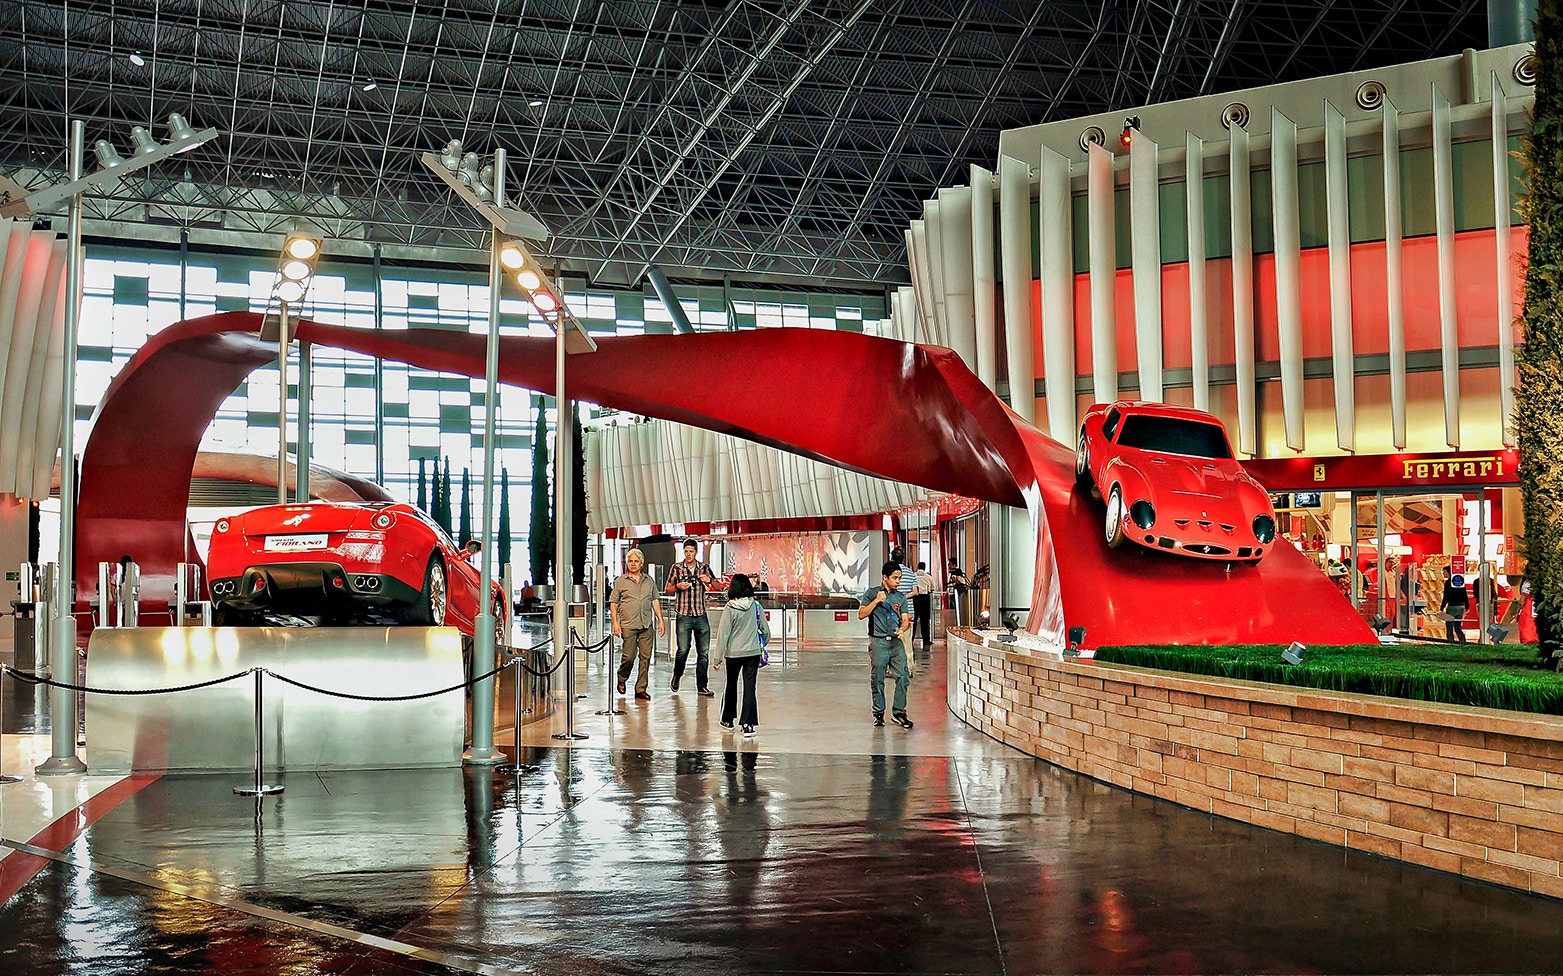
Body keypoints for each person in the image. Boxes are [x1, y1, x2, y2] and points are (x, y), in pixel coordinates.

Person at [711, 573, 770, 737]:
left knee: (731, 684)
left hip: (733, 654)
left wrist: (717, 658)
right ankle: (748, 724)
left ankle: (728, 720)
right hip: (752, 653)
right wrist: (760, 643)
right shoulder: (755, 606)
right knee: (749, 687)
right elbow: (766, 631)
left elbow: (723, 634)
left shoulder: (730, 608)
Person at [859, 560, 914, 729]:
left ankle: (899, 712)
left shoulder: (900, 597)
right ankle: (879, 713)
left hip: (896, 643)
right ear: (885, 577)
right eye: (895, 578)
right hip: (879, 642)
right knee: (878, 679)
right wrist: (876, 601)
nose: (898, 581)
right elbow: (861, 614)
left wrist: (902, 629)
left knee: (903, 676)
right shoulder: (871, 593)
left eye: (900, 578)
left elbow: (905, 620)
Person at [665, 538, 717, 697]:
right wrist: (677, 587)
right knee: (683, 650)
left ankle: (702, 686)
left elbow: (718, 586)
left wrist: (709, 580)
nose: (688, 554)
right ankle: (677, 675)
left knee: (704, 652)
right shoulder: (677, 568)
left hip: (701, 614)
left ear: (696, 552)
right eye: (686, 551)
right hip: (684, 615)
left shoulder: (704, 568)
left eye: (691, 551)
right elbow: (668, 589)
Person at [611, 548, 665, 700]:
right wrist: (615, 623)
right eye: (630, 561)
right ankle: (622, 677)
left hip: (646, 624)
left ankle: (640, 688)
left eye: (636, 561)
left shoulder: (649, 581)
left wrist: (660, 619)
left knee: (645, 657)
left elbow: (655, 600)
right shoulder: (621, 581)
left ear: (641, 563)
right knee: (629, 656)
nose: (633, 564)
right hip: (628, 624)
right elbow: (614, 603)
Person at [1440, 566, 1469, 643]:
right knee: (1458, 627)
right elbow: (1464, 594)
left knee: (1449, 626)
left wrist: (1442, 607)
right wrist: (1467, 605)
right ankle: (1463, 642)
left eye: (1444, 572)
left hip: (1452, 606)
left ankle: (1451, 642)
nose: (1443, 574)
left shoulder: (1448, 582)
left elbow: (1446, 596)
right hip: (1461, 607)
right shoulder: (1460, 581)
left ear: (1449, 572)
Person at [911, 561, 936, 649]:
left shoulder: (913, 575)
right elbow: (932, 588)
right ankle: (926, 640)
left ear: (918, 567)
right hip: (925, 598)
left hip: (915, 597)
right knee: (924, 620)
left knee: (913, 619)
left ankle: (911, 639)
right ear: (925, 567)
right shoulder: (928, 577)